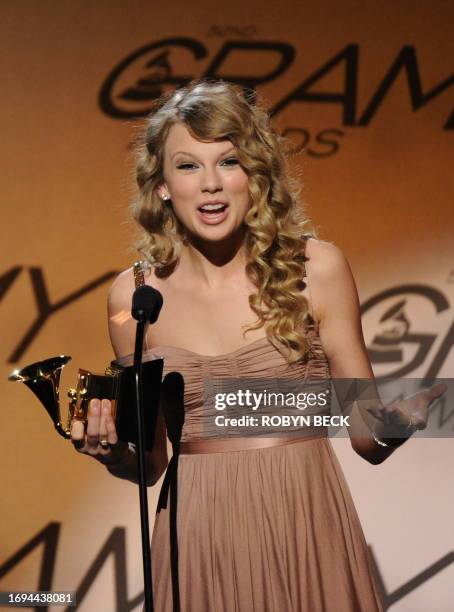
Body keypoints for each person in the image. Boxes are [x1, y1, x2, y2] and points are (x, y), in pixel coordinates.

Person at [70, 79, 447, 612]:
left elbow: (365, 435)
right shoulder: (135, 296)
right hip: (197, 535)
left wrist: (398, 422)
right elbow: (151, 463)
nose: (210, 186)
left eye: (227, 162)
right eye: (188, 166)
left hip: (304, 522)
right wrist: (114, 456)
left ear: (255, 173)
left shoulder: (316, 269)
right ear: (160, 185)